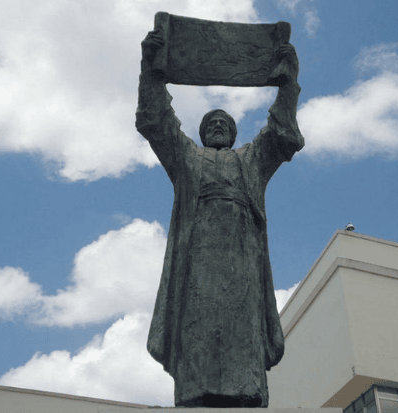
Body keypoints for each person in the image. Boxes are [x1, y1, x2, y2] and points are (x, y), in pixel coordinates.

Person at [136, 28, 304, 407]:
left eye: (223, 123)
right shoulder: (188, 159)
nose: (216, 126)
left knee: (241, 320)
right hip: (197, 258)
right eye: (210, 123)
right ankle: (196, 392)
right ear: (200, 134)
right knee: (198, 321)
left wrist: (288, 84)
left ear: (232, 134)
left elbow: (280, 135)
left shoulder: (251, 160)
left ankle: (246, 392)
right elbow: (158, 123)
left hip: (243, 259)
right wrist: (152, 72)